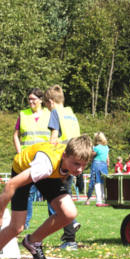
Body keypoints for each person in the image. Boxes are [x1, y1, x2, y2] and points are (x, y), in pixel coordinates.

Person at [0, 136, 93, 259]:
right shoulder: (44, 167)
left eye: (83, 165)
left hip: (49, 174)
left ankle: (33, 241)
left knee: (69, 213)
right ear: (64, 156)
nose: (79, 169)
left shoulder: (70, 158)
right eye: (76, 164)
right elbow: (10, 184)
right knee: (17, 227)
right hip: (23, 169)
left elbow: (65, 170)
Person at [46, 85, 82, 249]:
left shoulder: (56, 113)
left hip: (62, 159)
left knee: (55, 199)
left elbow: (54, 137)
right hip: (74, 159)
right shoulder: (70, 113)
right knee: (64, 196)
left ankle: (70, 232)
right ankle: (70, 234)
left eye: (47, 105)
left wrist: (47, 152)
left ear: (51, 102)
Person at [13, 88, 51, 229]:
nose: (31, 101)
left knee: (51, 193)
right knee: (26, 193)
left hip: (46, 159)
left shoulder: (49, 114)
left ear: (41, 100)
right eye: (29, 99)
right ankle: (25, 223)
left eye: (34, 99)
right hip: (27, 160)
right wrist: (19, 153)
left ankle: (55, 221)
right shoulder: (23, 114)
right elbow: (15, 135)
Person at [86, 132, 110, 206]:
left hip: (96, 164)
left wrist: (88, 160)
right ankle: (103, 199)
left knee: (96, 182)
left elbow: (91, 156)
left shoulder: (96, 148)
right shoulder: (106, 148)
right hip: (104, 165)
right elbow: (108, 159)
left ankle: (98, 200)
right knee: (103, 182)